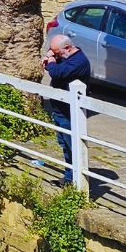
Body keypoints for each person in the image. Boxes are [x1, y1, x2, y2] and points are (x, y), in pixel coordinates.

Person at [42, 31, 92, 187]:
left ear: (68, 48)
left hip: (70, 112)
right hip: (60, 108)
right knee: (64, 144)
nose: (55, 56)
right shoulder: (67, 57)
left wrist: (50, 61)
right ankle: (69, 177)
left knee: (72, 145)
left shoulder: (79, 62)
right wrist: (52, 57)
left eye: (57, 53)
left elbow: (57, 73)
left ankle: (76, 181)